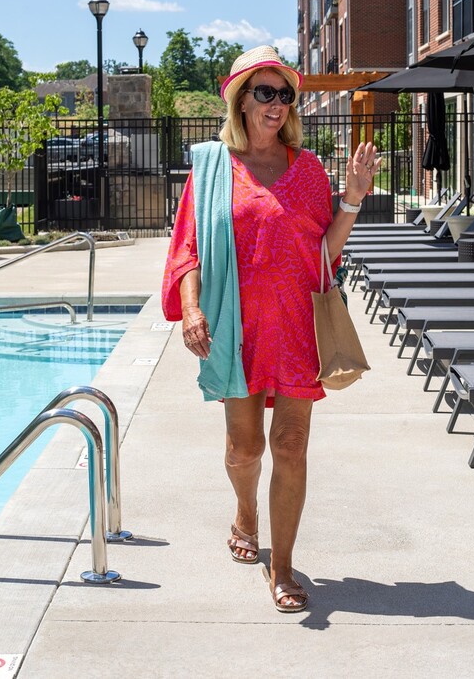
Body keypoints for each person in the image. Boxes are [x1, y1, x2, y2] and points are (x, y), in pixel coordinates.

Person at [162, 45, 379, 613]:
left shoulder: (307, 170)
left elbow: (323, 257)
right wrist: (191, 308)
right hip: (236, 328)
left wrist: (351, 201)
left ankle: (280, 568)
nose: (278, 104)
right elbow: (187, 248)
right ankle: (245, 513)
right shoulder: (212, 167)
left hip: (295, 327)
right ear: (240, 98)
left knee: (291, 444)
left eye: (286, 94)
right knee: (244, 447)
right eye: (266, 92)